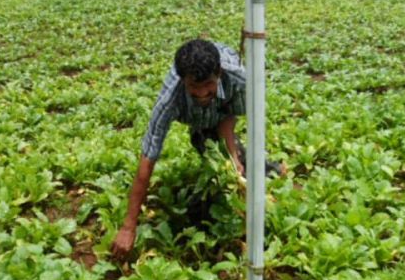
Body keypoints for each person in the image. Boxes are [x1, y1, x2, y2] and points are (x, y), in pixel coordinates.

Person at [111, 38, 282, 259]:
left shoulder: (240, 81)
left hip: (222, 107)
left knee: (234, 162)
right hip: (195, 117)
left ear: (219, 74)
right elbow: (149, 156)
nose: (201, 93)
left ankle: (270, 170)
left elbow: (228, 114)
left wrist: (232, 155)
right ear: (183, 80)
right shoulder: (170, 99)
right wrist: (128, 226)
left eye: (208, 85)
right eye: (194, 86)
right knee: (209, 146)